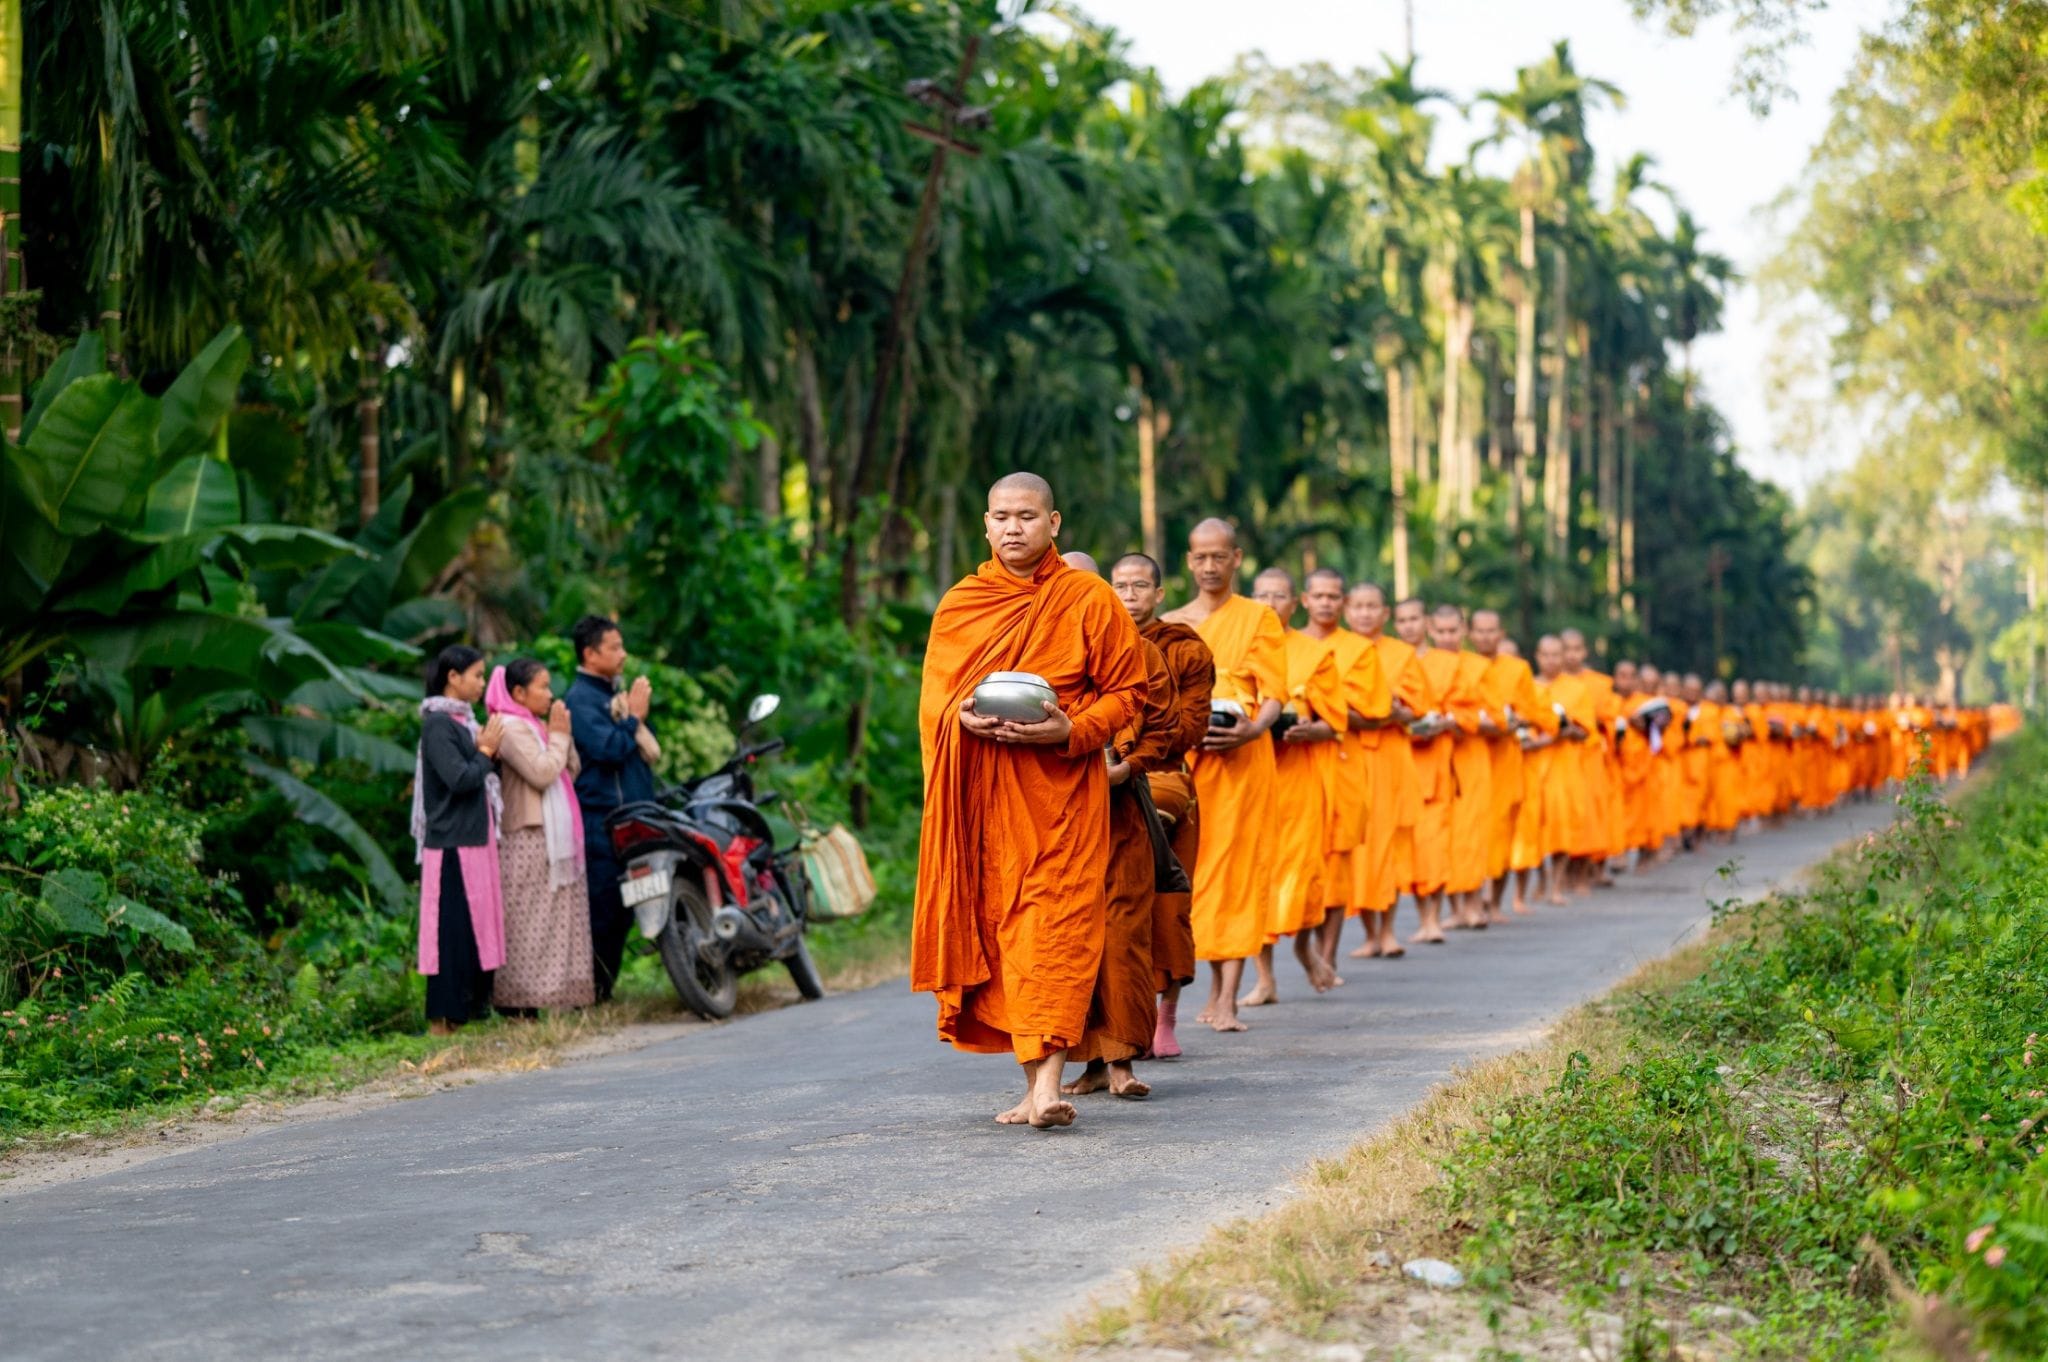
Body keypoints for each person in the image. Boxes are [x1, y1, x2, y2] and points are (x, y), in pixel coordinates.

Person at [912, 473, 1146, 1129]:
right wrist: (963, 717)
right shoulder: (963, 604)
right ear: (985, 525)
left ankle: (1046, 1089)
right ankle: (1032, 1085)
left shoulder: (1088, 597)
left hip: (1062, 797)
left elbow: (1129, 692)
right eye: (1002, 517)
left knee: (1054, 930)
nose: (1013, 528)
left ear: (1054, 523)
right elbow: (936, 706)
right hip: (985, 803)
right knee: (1004, 938)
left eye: (1027, 516)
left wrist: (1072, 730)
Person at [1163, 519, 1286, 1034]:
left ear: (1237, 559)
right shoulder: (1171, 622)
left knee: (1235, 873)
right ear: (1189, 561)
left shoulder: (1259, 618)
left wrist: (1253, 729)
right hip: (1187, 767)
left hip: (1242, 762)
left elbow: (1274, 691)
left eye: (1220, 557)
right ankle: (1207, 988)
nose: (1210, 567)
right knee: (1193, 875)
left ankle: (1228, 996)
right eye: (1201, 557)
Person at [1061, 551, 1175, 1101]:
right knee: (1070, 937)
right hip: (1057, 819)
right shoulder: (1036, 649)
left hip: (1121, 812)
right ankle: (1090, 1063)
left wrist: (1126, 768)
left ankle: (1123, 1058)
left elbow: (1163, 728)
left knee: (1124, 934)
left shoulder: (1141, 652)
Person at [1110, 552, 1213, 1061]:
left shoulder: (1183, 648)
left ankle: (1166, 1016)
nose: (1129, 596)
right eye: (1120, 586)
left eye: (1139, 586)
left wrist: (1132, 752)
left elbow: (1190, 726)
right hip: (1101, 775)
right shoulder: (1096, 641)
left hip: (1164, 776)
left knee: (1167, 904)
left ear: (1159, 593)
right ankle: (1121, 1021)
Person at [1243, 567, 1342, 1003]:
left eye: (1278, 596)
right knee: (1257, 874)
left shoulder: (1314, 654)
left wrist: (1308, 730)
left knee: (1301, 874)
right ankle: (1264, 978)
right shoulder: (1242, 647)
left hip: (1298, 777)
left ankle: (1304, 947)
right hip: (1250, 775)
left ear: (1294, 603)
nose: (1269, 604)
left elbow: (1334, 722)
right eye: (1261, 595)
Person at [486, 658, 596, 1014]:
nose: (550, 694)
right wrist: (559, 738)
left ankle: (560, 997)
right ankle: (520, 1003)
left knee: (558, 920)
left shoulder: (533, 726)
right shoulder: (510, 728)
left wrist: (561, 735)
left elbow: (569, 771)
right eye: (543, 687)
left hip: (552, 836)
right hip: (527, 837)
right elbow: (543, 772)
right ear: (519, 693)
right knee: (530, 921)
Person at [412, 644, 506, 1034]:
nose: (482, 683)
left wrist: (485, 752)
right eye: (477, 675)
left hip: (473, 839)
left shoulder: (463, 722)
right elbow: (461, 778)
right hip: (451, 842)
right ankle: (442, 1022)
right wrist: (485, 751)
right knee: (449, 934)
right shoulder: (438, 724)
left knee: (471, 931)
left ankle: (465, 1014)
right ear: (453, 677)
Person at [1297, 568, 1385, 981]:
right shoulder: (1286, 645)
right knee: (1299, 860)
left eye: (1334, 596)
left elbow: (1373, 715)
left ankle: (1327, 955)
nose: (1326, 603)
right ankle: (1300, 951)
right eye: (1319, 596)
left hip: (1343, 762)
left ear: (1343, 603)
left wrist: (1326, 713)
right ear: (1305, 600)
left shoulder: (1359, 650)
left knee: (1337, 860)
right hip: (1296, 765)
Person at [566, 615, 658, 1002]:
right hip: (602, 823)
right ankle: (593, 995)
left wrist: (633, 716)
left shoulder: (613, 694)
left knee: (626, 912)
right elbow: (608, 749)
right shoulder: (580, 700)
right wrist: (634, 717)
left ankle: (603, 992)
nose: (623, 655)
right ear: (590, 654)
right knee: (604, 911)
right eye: (614, 647)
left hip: (635, 820)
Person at [1344, 583, 1423, 959]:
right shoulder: (1335, 649)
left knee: (1387, 844)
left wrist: (1388, 711)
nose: (1364, 613)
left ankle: (1388, 931)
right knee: (1359, 847)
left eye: (1372, 606)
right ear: (1347, 610)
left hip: (1389, 757)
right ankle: (1370, 934)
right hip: (1349, 753)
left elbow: (1416, 707)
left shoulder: (1402, 654)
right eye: (1358, 606)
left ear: (1385, 613)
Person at [1471, 609, 1543, 921]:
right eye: (1480, 630)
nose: (1486, 637)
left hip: (1505, 758)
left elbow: (1531, 712)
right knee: (1470, 830)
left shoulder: (1517, 669)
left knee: (1501, 830)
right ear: (1470, 634)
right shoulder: (1461, 665)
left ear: (1501, 634)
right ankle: (1470, 903)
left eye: (1492, 631)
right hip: (1470, 755)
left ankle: (1495, 902)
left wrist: (1510, 720)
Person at [1394, 598, 1455, 945]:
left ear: (1426, 623)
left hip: (1435, 763)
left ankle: (1434, 918)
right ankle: (1423, 919)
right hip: (1400, 764)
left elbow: (1462, 708)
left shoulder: (1447, 663)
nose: (1409, 626)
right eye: (1402, 620)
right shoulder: (1389, 659)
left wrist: (1444, 721)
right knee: (1412, 849)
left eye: (1414, 619)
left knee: (1434, 844)